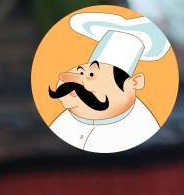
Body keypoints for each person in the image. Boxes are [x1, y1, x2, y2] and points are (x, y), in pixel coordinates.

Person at [48, 11, 172, 153]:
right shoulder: (64, 118)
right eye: (81, 72)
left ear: (134, 83)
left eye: (92, 76)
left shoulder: (146, 126)